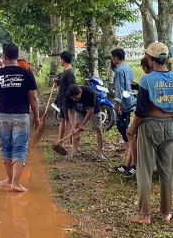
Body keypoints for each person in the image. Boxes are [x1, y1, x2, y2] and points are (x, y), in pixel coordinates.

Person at [126, 42, 172, 225]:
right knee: (167, 171)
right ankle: (167, 212)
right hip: (170, 126)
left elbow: (142, 110)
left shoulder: (147, 80)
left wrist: (132, 128)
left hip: (150, 125)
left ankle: (144, 214)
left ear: (151, 59)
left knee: (144, 170)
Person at [0, 43, 40, 192]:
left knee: (6, 148)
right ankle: (14, 182)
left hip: (3, 116)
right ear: (17, 56)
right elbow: (33, 98)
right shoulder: (27, 73)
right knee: (19, 148)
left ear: (5, 56)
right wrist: (37, 117)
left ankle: (11, 181)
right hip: (21, 116)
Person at [109, 48, 137, 177]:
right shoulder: (129, 68)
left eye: (113, 58)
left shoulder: (119, 70)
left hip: (124, 103)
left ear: (115, 57)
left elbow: (119, 89)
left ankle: (130, 158)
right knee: (126, 130)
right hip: (131, 100)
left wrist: (117, 104)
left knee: (124, 129)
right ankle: (128, 160)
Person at [66, 84, 106, 159]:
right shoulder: (68, 95)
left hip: (94, 111)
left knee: (98, 129)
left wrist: (83, 124)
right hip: (80, 111)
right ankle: (74, 152)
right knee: (75, 128)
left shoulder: (90, 93)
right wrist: (72, 126)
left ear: (80, 92)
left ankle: (100, 153)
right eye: (72, 98)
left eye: (76, 97)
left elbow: (91, 110)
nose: (74, 100)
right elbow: (70, 111)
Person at [55, 51, 76, 143]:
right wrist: (58, 82)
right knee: (62, 119)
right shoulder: (65, 72)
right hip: (62, 100)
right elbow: (64, 84)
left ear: (63, 60)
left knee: (68, 121)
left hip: (67, 100)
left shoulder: (70, 73)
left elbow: (72, 88)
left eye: (60, 59)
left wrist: (69, 99)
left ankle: (71, 141)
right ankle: (60, 141)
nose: (60, 61)